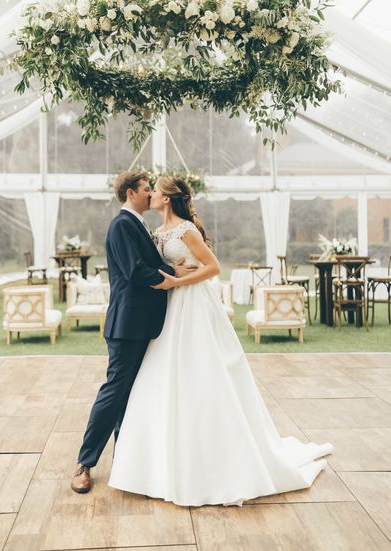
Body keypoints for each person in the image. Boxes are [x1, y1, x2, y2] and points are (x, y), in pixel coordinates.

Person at [108, 176, 333, 506]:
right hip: (170, 310)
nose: (151, 194)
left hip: (192, 305)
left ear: (168, 199)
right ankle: (162, 458)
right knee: (166, 375)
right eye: (149, 189)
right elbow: (155, 266)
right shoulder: (158, 232)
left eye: (155, 191)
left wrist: (174, 283)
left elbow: (213, 267)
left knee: (202, 369)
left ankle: (215, 457)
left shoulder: (186, 230)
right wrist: (170, 279)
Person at [71, 171, 196, 494]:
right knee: (114, 393)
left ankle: (127, 463)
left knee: (132, 395)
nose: (150, 192)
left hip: (145, 324)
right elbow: (136, 271)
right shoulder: (122, 225)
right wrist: (174, 273)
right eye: (145, 188)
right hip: (128, 325)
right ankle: (84, 464)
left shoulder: (139, 224)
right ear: (130, 194)